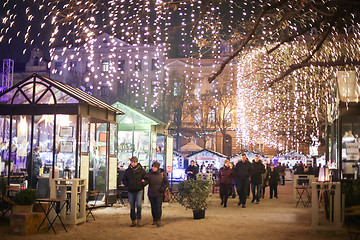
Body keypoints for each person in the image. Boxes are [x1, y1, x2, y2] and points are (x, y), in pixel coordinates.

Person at [122, 156, 148, 227]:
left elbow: (147, 179)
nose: (133, 163)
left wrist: (143, 184)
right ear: (130, 162)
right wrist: (127, 185)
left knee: (139, 205)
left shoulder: (142, 171)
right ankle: (133, 220)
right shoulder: (128, 171)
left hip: (139, 190)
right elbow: (124, 179)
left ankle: (139, 219)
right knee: (132, 206)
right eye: (132, 162)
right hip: (131, 190)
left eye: (135, 162)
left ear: (137, 162)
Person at [147, 161, 169, 227]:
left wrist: (162, 189)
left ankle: (158, 219)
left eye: (155, 167)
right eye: (153, 166)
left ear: (158, 167)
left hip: (159, 193)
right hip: (151, 193)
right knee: (153, 207)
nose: (153, 168)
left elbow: (166, 183)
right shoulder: (149, 174)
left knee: (158, 207)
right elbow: (146, 181)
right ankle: (154, 219)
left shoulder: (162, 174)